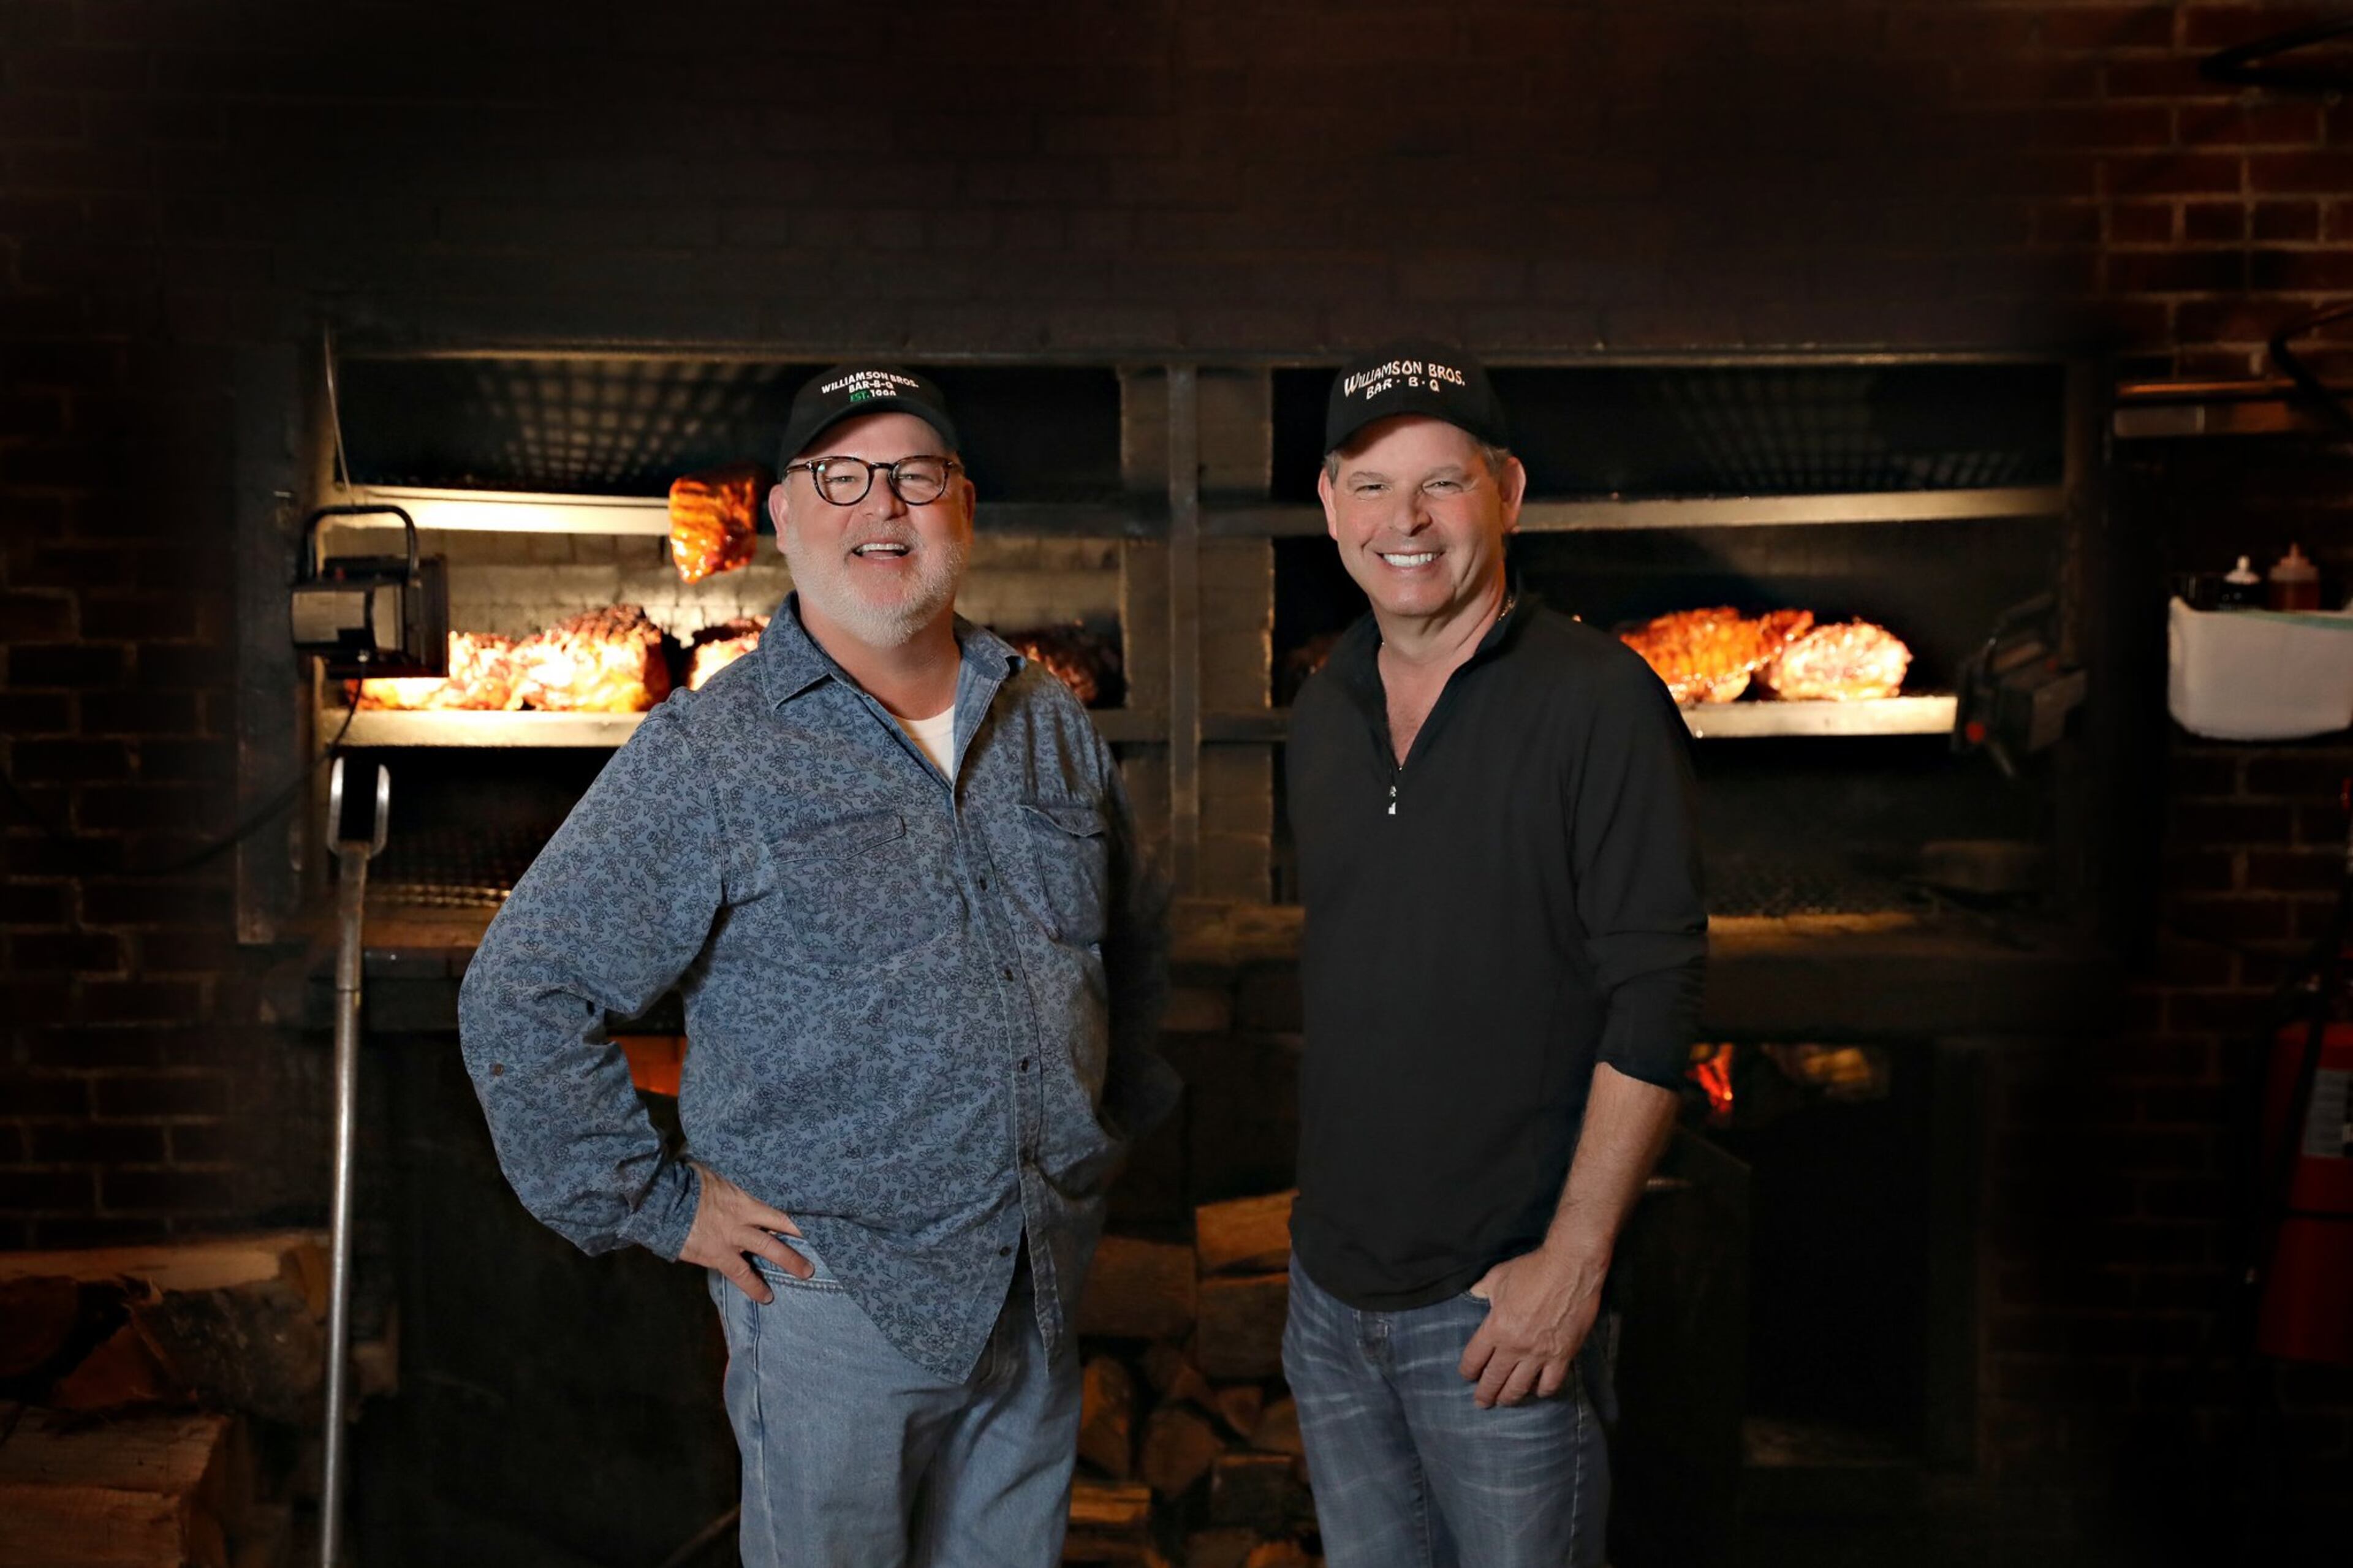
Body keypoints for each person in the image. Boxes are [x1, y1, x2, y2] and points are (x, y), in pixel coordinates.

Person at [459, 365, 1177, 1568]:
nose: (881, 507)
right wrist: (660, 1201)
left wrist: (1093, 1139)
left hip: (1038, 1274)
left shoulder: (1046, 717)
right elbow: (522, 990)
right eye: (840, 477)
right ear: (783, 516)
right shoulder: (711, 751)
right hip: (839, 1298)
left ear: (965, 508)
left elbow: (1132, 940)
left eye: (915, 476)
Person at [1281, 343, 1708, 1568]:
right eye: (1369, 485)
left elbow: (1657, 995)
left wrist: (1573, 1264)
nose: (1403, 520)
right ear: (1328, 503)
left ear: (1507, 491)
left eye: (1441, 482)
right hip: (1333, 1297)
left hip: (1499, 1309)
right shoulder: (1327, 704)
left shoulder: (1600, 701)